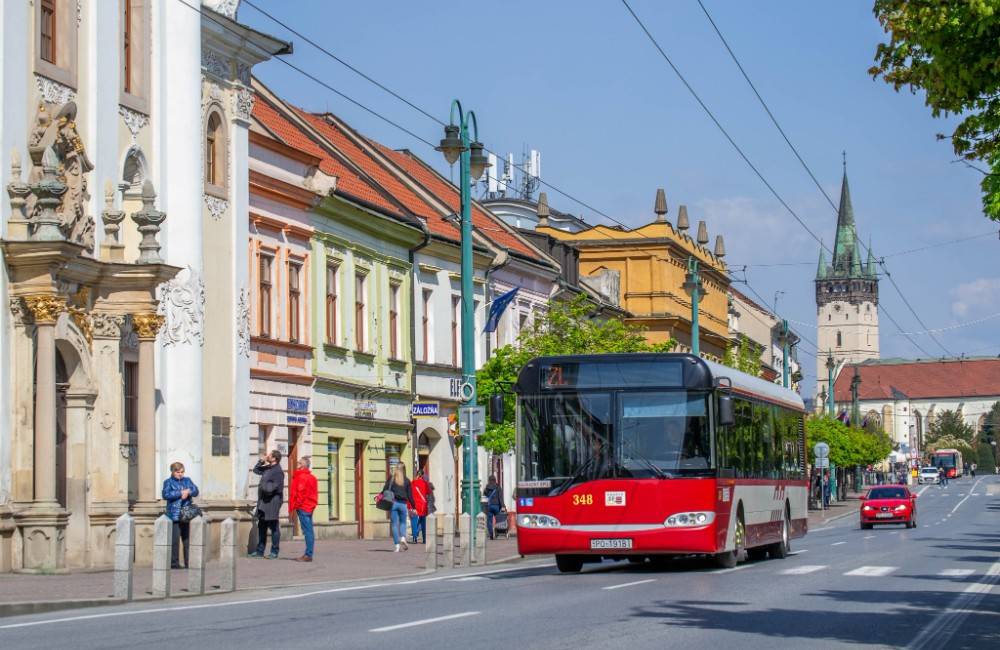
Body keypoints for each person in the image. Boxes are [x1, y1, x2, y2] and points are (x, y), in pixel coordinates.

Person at [162, 462, 199, 570]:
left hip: (186, 514)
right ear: (173, 472)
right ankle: (174, 563)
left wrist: (189, 491)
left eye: (182, 472)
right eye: (178, 472)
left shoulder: (187, 480)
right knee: (174, 540)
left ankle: (188, 562)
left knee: (187, 540)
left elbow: (196, 491)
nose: (180, 474)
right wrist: (180, 493)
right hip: (174, 515)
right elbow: (166, 494)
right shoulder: (168, 482)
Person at [250, 450, 285, 559]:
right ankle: (260, 551)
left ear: (274, 458)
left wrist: (263, 486)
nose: (267, 456)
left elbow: (274, 487)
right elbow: (256, 470)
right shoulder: (269, 467)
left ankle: (274, 552)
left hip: (273, 502)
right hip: (263, 502)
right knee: (262, 526)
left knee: (274, 527)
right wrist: (261, 461)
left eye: (269, 455)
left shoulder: (278, 471)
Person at [289, 456, 318, 562]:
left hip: (304, 507)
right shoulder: (312, 478)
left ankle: (308, 555)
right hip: (309, 506)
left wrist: (296, 505)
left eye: (299, 463)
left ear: (303, 466)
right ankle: (308, 553)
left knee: (307, 531)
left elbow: (300, 493)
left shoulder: (302, 477)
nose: (297, 465)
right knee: (309, 530)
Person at [382, 464, 414, 552]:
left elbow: (385, 489)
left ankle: (397, 545)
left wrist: (381, 495)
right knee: (403, 522)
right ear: (404, 469)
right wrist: (413, 506)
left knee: (394, 525)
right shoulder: (407, 480)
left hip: (394, 503)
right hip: (403, 504)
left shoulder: (392, 479)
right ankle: (403, 537)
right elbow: (410, 495)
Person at [483, 475, 506, 540]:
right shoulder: (498, 487)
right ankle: (498, 533)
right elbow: (500, 498)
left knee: (489, 521)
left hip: (489, 506)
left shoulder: (487, 487)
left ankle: (491, 534)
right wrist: (503, 506)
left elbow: (485, 495)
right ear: (495, 480)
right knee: (499, 520)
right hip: (496, 506)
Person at [410, 470, 429, 544]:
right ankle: (424, 539)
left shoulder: (413, 483)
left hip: (414, 504)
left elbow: (410, 494)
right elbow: (428, 493)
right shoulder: (425, 483)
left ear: (417, 475)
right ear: (423, 475)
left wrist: (409, 505)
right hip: (423, 505)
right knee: (423, 522)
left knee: (414, 521)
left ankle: (415, 537)